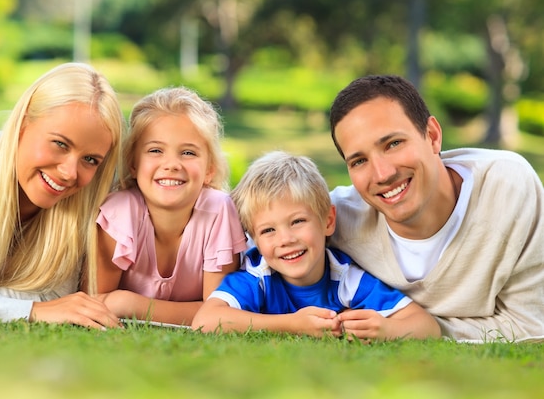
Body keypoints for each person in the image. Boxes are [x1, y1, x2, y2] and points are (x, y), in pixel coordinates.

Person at [328, 74, 544, 342]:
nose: (382, 174)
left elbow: (531, 325)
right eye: (359, 161)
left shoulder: (508, 190)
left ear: (432, 136)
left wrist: (421, 329)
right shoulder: (335, 218)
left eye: (393, 144)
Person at [0, 62, 125, 329]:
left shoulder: (97, 194)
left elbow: (64, 300)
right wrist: (32, 309)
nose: (69, 173)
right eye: (60, 144)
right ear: (24, 123)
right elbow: (53, 304)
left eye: (90, 159)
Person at [192, 151, 440, 340]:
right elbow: (206, 320)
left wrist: (386, 328)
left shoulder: (344, 278)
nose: (285, 239)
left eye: (297, 221)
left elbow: (426, 326)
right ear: (254, 240)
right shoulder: (258, 276)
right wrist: (292, 324)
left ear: (328, 221)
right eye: (268, 230)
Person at [90, 86, 247, 326]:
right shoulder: (119, 214)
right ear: (133, 163)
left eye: (187, 152)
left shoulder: (219, 212)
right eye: (155, 150)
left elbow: (218, 312)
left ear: (209, 169)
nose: (171, 164)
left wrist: (131, 305)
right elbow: (94, 304)